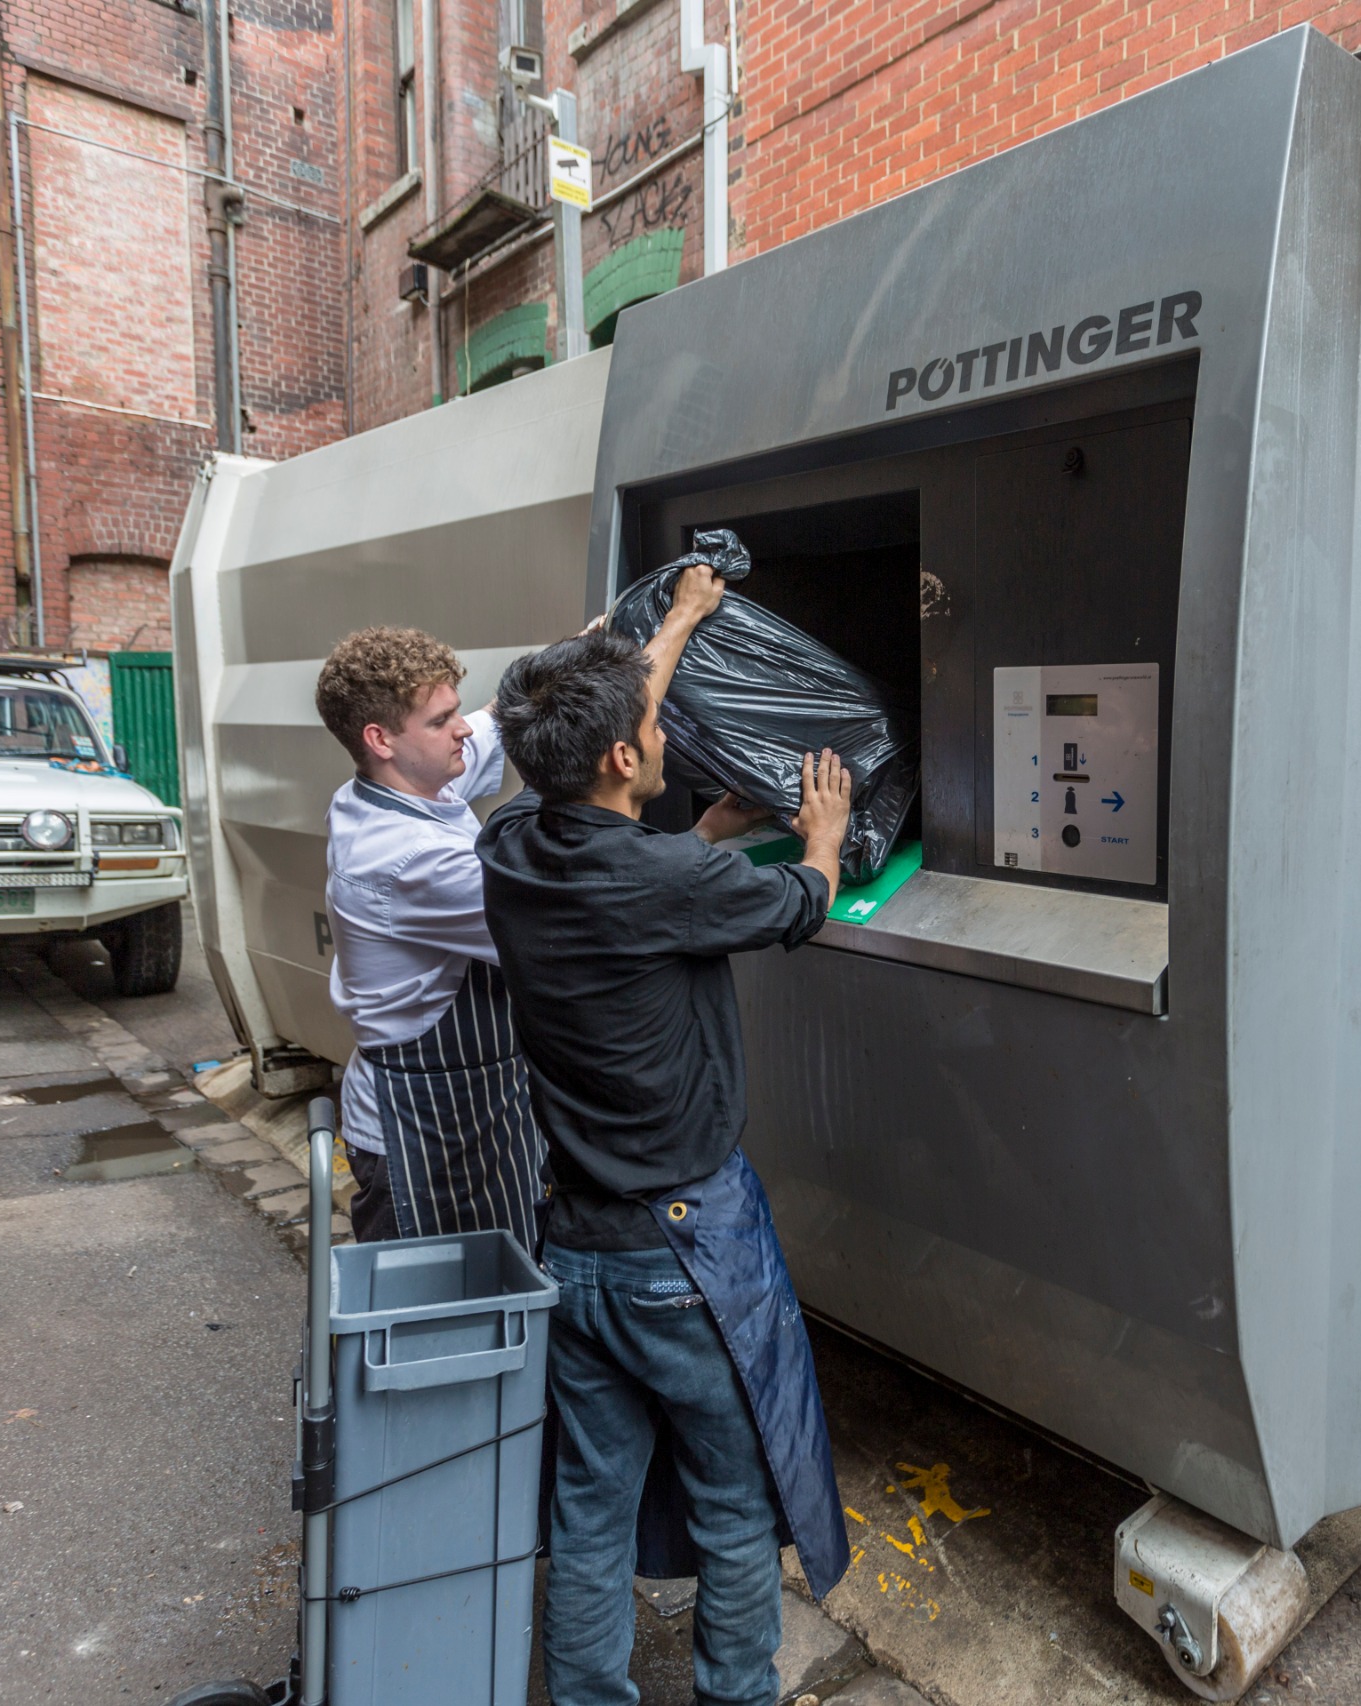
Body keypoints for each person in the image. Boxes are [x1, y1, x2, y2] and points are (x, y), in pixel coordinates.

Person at [477, 557, 852, 1706]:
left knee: (588, 1504)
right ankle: (736, 1692)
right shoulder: (672, 876)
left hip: (575, 1247)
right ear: (625, 758)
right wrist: (822, 831)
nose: (656, 723)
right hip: (686, 1253)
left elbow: (632, 841)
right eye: (650, 724)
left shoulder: (506, 847)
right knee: (737, 1501)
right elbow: (798, 903)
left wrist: (682, 619)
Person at [313, 626, 546, 1246]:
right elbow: (561, 923)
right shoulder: (406, 855)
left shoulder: (391, 791)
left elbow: (496, 716)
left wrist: (594, 644)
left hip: (474, 1112)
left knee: (502, 1311)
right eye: (443, 720)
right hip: (426, 1139)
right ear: (380, 739)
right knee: (439, 1326)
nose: (463, 729)